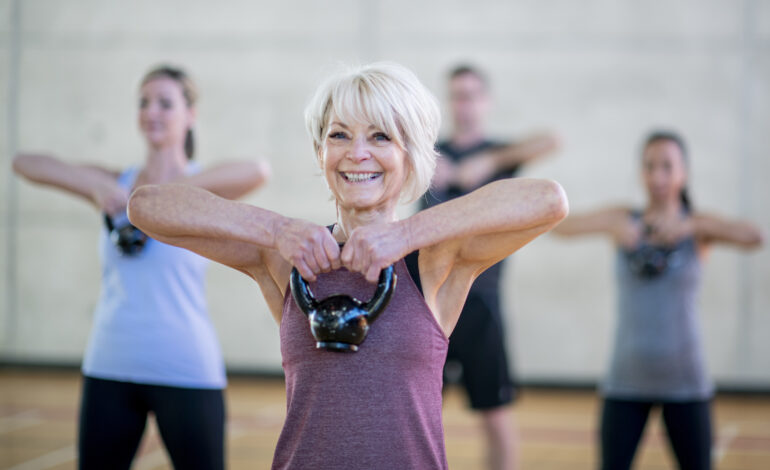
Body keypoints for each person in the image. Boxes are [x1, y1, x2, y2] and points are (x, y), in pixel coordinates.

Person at [127, 62, 568, 469]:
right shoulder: (286, 258)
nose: (357, 153)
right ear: (321, 152)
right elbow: (147, 205)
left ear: (410, 154)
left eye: (380, 136)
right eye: (339, 135)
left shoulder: (435, 260)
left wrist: (406, 234)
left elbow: (548, 200)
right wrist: (275, 228)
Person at [13, 65, 271, 470]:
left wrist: (166, 197)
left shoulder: (201, 186)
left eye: (165, 103)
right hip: (109, 365)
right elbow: (25, 162)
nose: (152, 111)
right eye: (144, 102)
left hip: (186, 367)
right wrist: (94, 187)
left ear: (190, 115)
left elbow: (258, 170)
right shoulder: (117, 182)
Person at [553, 131, 763, 470]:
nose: (658, 176)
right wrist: (615, 228)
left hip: (686, 381)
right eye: (650, 166)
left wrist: (690, 225)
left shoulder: (699, 226)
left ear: (684, 173)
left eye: (667, 166)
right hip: (625, 380)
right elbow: (560, 227)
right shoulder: (622, 218)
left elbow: (756, 236)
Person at [422, 64, 561, 470]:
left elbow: (550, 140)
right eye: (457, 96)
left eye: (471, 95)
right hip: (428, 304)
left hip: (481, 304)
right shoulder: (428, 156)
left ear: (485, 102)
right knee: (420, 414)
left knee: (496, 415)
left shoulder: (499, 157)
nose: (463, 105)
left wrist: (488, 161)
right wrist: (428, 163)